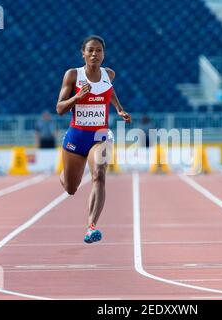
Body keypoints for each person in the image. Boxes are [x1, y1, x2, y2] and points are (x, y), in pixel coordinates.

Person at [56, 35, 131, 243]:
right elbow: (60, 109)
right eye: (90, 50)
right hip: (76, 136)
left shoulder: (109, 74)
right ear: (83, 53)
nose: (94, 54)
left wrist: (119, 109)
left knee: (99, 173)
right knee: (71, 188)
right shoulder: (73, 75)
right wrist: (77, 98)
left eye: (98, 50)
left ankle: (91, 227)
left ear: (103, 54)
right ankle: (65, 171)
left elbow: (109, 90)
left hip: (100, 136)